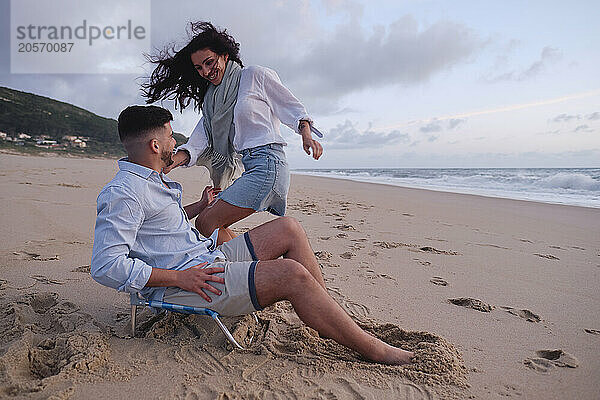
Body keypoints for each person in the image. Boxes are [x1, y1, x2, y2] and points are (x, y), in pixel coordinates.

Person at [91, 105, 413, 365]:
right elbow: (106, 266)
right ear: (155, 145)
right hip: (187, 281)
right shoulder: (124, 193)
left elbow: (160, 228)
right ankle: (374, 349)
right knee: (291, 274)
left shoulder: (152, 181)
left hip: (204, 258)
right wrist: (179, 278)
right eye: (171, 136)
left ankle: (329, 314)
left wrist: (197, 207)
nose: (176, 142)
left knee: (289, 227)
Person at [142, 21, 323, 245]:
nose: (206, 72)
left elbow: (292, 108)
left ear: (225, 55)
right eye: (199, 68)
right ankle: (254, 267)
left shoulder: (255, 76)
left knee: (206, 222)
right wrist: (173, 162)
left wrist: (306, 134)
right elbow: (202, 135)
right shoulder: (212, 99)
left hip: (269, 164)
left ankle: (250, 270)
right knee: (217, 224)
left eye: (209, 63)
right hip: (249, 167)